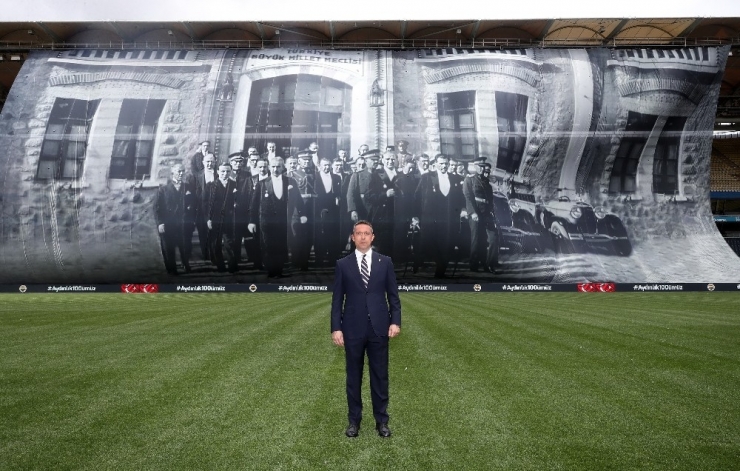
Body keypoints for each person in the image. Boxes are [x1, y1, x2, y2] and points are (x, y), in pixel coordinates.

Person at [331, 220, 401, 438]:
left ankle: (382, 421)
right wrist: (336, 328)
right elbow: (336, 301)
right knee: (353, 377)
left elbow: (393, 297)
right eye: (358, 233)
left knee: (380, 376)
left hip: (379, 328)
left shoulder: (385, 262)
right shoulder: (343, 264)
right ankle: (354, 422)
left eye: (366, 233)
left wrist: (395, 321)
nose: (362, 237)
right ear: (353, 237)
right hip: (352, 329)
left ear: (373, 237)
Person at [248, 157, 307, 278]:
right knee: (268, 245)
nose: (275, 169)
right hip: (266, 220)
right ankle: (271, 270)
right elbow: (253, 204)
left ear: (283, 167)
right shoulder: (262, 183)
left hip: (283, 220)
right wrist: (251, 222)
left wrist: (302, 214)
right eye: (273, 166)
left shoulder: (290, 182)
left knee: (280, 245)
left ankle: (279, 270)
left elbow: (298, 200)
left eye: (278, 166)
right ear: (269, 167)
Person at [414, 154, 467, 278]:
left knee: (447, 244)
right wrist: (415, 215)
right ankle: (429, 263)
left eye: (446, 164)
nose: (443, 166)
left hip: (448, 218)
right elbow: (417, 198)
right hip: (430, 217)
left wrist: (463, 209)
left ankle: (441, 270)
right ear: (436, 164)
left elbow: (460, 197)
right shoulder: (427, 177)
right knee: (428, 242)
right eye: (441, 163)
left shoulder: (455, 178)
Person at [155, 164, 195, 275]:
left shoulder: (188, 188)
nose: (181, 173)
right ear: (172, 173)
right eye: (178, 171)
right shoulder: (163, 189)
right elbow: (158, 208)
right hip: (169, 223)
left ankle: (185, 264)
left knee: (186, 246)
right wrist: (160, 223)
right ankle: (171, 269)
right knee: (168, 247)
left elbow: (194, 204)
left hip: (184, 223)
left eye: (183, 171)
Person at [463, 157, 498, 272]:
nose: (482, 170)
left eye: (483, 167)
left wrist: (492, 213)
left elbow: (490, 199)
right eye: (480, 167)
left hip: (487, 214)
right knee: (476, 240)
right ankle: (473, 265)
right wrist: (472, 212)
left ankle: (489, 264)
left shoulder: (486, 182)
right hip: (476, 213)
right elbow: (468, 197)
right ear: (475, 167)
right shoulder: (469, 180)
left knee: (493, 238)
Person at [206, 162, 236, 272]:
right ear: (218, 172)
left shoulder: (234, 185)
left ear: (230, 172)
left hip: (229, 218)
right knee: (216, 243)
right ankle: (220, 265)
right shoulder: (211, 185)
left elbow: (237, 200)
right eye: (222, 171)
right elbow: (208, 203)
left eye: (228, 171)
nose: (225, 174)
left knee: (229, 242)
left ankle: (232, 265)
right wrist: (208, 219)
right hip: (215, 218)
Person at [314, 157, 342, 266]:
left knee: (333, 233)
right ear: (320, 166)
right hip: (319, 209)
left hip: (333, 209)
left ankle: (332, 257)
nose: (326, 167)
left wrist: (338, 199)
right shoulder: (315, 177)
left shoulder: (336, 178)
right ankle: (319, 258)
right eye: (324, 165)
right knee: (320, 234)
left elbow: (338, 193)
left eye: (328, 165)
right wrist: (320, 208)